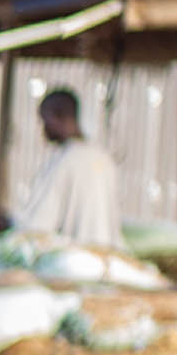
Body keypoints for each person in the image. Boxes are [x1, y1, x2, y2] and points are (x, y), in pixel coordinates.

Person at [18, 84, 126, 255]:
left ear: (59, 116)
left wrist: (4, 225)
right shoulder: (103, 156)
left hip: (74, 261)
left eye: (45, 121)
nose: (43, 129)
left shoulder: (65, 160)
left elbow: (38, 225)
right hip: (110, 258)